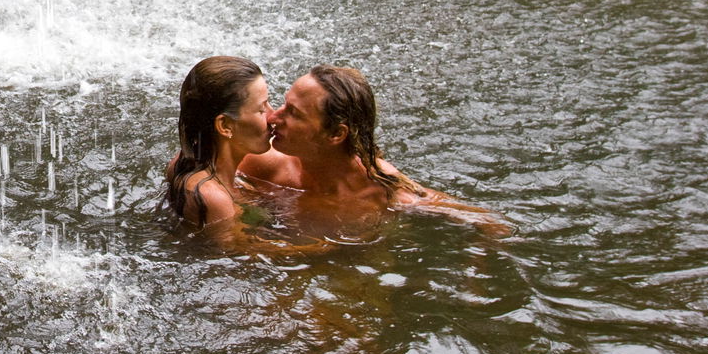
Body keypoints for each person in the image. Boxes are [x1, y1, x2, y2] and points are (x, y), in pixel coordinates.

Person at [239, 64, 506, 233]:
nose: (273, 117)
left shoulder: (385, 195)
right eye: (284, 104)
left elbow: (493, 224)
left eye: (294, 113)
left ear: (335, 134)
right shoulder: (261, 161)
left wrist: (475, 272)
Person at [164, 55, 274, 229]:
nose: (273, 116)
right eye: (262, 110)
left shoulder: (185, 160)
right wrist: (325, 245)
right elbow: (239, 253)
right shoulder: (212, 198)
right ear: (225, 126)